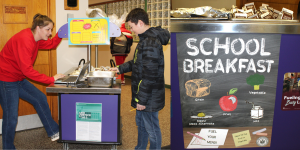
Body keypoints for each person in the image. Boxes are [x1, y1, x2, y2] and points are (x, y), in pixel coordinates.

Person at [0, 13, 65, 149]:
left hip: (18, 78)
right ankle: (7, 147)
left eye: (51, 29)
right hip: (6, 79)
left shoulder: (35, 38)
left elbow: (51, 44)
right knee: (11, 117)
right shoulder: (25, 40)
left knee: (39, 98)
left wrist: (62, 32)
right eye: (48, 29)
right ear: (38, 28)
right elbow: (27, 70)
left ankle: (54, 131)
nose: (50, 33)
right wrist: (51, 79)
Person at [110, 8, 170, 150]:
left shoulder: (150, 42)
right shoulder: (145, 40)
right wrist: (120, 68)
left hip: (148, 97)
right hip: (144, 95)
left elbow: (149, 75)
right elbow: (138, 63)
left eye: (131, 27)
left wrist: (142, 100)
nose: (131, 31)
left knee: (152, 129)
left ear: (141, 23)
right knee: (142, 125)